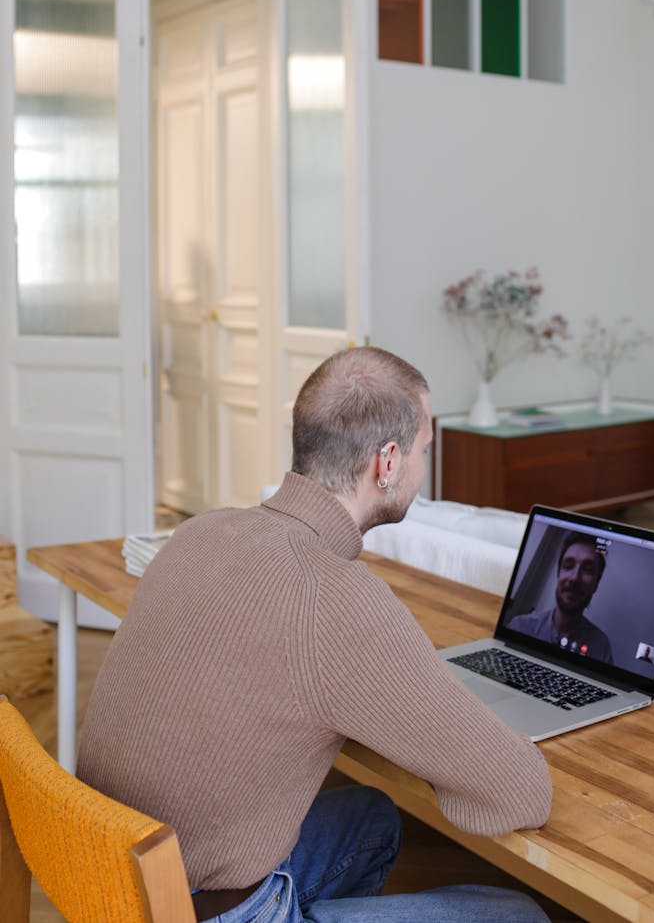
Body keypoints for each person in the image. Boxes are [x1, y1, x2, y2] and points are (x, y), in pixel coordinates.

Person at [78, 346, 552, 922]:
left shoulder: (200, 531)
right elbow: (519, 793)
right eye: (426, 450)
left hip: (104, 878)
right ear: (387, 462)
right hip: (197, 912)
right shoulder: (336, 597)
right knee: (519, 913)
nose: (424, 471)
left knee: (373, 819)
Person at [509, 532, 613, 663]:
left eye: (587, 569)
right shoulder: (520, 627)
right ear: (559, 573)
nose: (574, 578)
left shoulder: (601, 647)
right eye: (568, 566)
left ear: (596, 583)